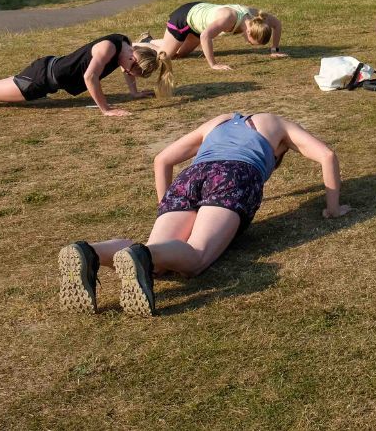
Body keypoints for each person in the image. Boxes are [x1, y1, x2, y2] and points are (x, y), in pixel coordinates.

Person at [57, 111, 350, 317]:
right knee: (194, 257)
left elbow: (162, 160)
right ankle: (141, 255)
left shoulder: (219, 121)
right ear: (279, 155)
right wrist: (333, 208)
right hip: (235, 175)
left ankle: (90, 251)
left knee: (158, 263)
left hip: (191, 176)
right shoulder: (279, 125)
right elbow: (326, 155)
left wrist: (168, 207)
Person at [0, 34, 173, 117]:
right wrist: (106, 109)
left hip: (44, 69)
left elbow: (127, 69)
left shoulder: (124, 45)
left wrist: (134, 92)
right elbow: (90, 78)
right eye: (132, 67)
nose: (128, 71)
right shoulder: (107, 50)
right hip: (39, 81)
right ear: (134, 55)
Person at [147, 2, 285, 71]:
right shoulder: (228, 18)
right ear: (249, 32)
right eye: (252, 43)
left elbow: (277, 24)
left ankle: (151, 40)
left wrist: (274, 50)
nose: (249, 44)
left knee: (180, 54)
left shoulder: (257, 19)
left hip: (198, 25)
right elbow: (206, 37)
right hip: (183, 19)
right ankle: (140, 44)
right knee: (165, 55)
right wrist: (214, 64)